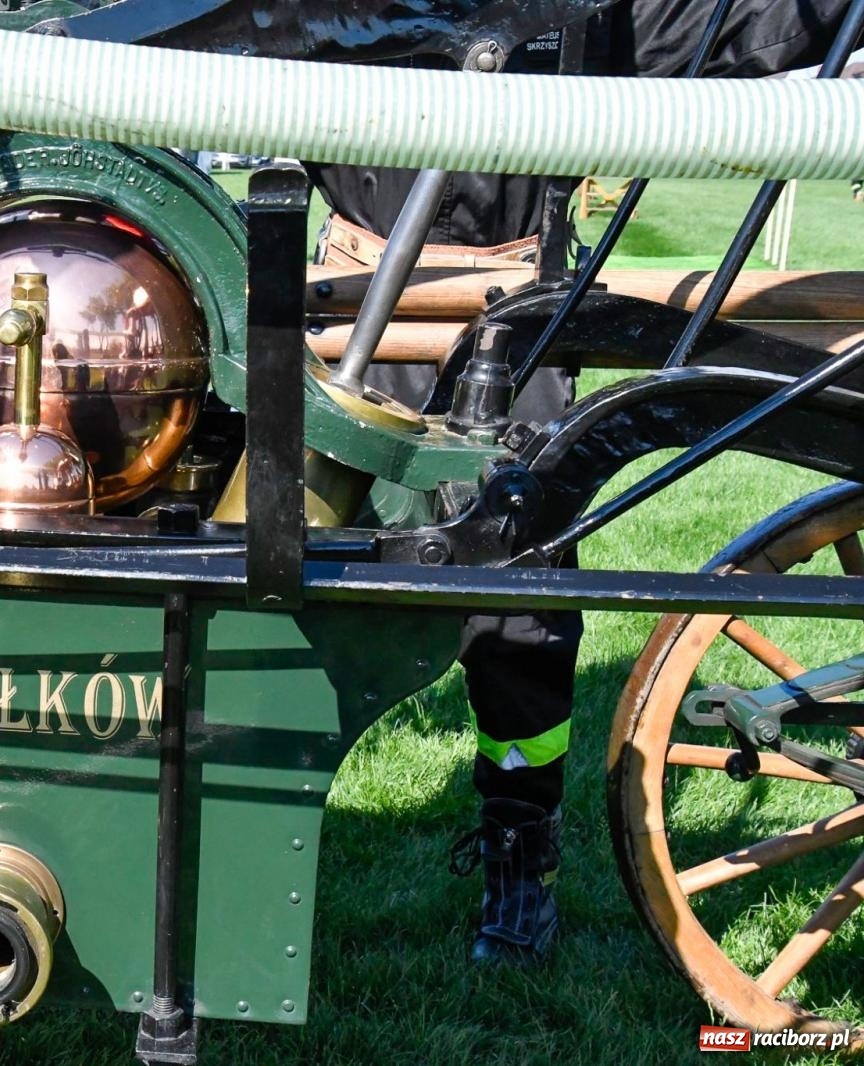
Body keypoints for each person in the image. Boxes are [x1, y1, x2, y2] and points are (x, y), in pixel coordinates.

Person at [307, 0, 857, 966]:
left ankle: (521, 853)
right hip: (354, 320)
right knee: (295, 582)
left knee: (522, 619)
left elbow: (735, 24)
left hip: (523, 318)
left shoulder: (572, 12)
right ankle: (270, 828)